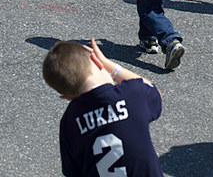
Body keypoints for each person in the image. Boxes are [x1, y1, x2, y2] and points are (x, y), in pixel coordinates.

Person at [42, 38, 164, 177]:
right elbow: (154, 92)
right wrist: (110, 66)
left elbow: (73, 172)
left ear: (66, 97)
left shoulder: (69, 121)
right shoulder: (132, 94)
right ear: (96, 60)